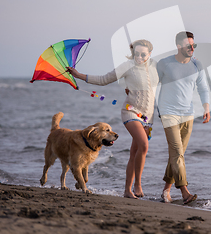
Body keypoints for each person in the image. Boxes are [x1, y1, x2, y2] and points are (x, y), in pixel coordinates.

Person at [67, 39, 158, 199]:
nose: (139, 57)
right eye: (136, 53)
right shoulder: (127, 66)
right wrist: (78, 75)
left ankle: (127, 190)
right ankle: (138, 184)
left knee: (134, 152)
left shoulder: (155, 68)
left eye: (143, 54)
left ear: (149, 54)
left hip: (147, 117)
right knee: (144, 146)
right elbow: (104, 79)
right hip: (130, 112)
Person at [157, 31, 210, 204]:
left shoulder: (197, 65)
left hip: (188, 114)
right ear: (179, 46)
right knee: (178, 153)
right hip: (168, 112)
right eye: (189, 46)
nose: (192, 48)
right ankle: (185, 192)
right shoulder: (165, 63)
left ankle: (166, 192)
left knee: (176, 154)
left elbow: (203, 88)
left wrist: (206, 107)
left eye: (194, 45)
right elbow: (150, 83)